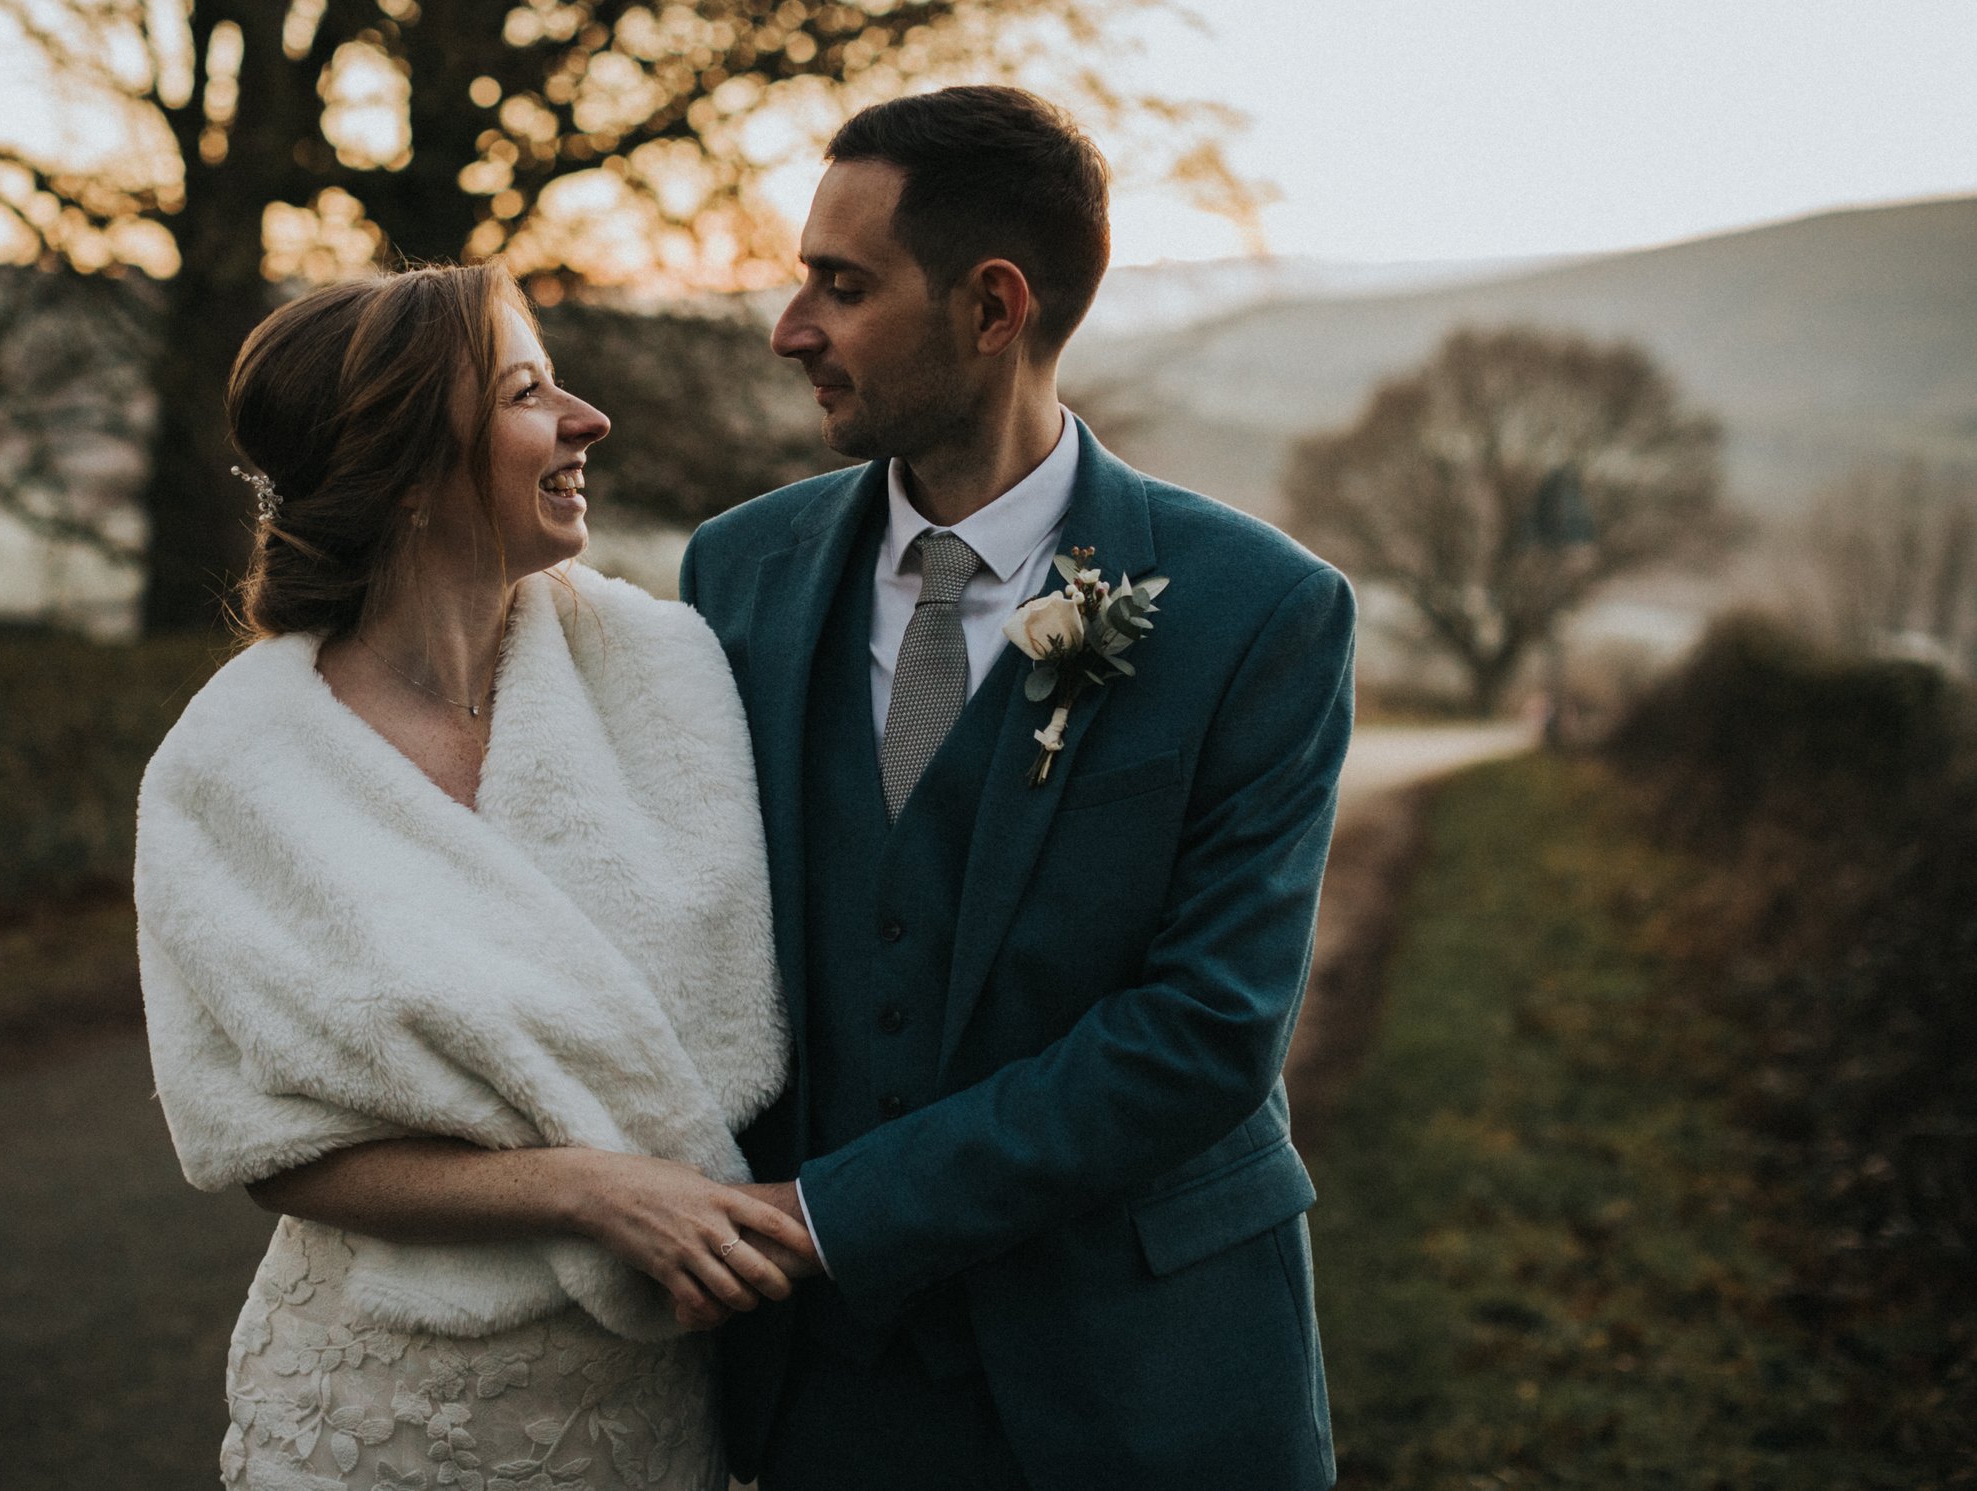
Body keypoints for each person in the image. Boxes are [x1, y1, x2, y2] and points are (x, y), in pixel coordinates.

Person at [679, 86, 1355, 1489]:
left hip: (1138, 1380)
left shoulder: (1259, 611)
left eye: (841, 286)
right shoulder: (732, 574)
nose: (788, 328)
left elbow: (1208, 1029)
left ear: (994, 309)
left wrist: (828, 1213)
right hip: (825, 1396)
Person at [134, 263, 819, 1491]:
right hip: (378, 1412)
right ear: (406, 466)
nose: (586, 418)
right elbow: (261, 1137)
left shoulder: (664, 675)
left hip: (642, 1412)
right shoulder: (233, 767)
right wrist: (588, 1189)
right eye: (525, 391)